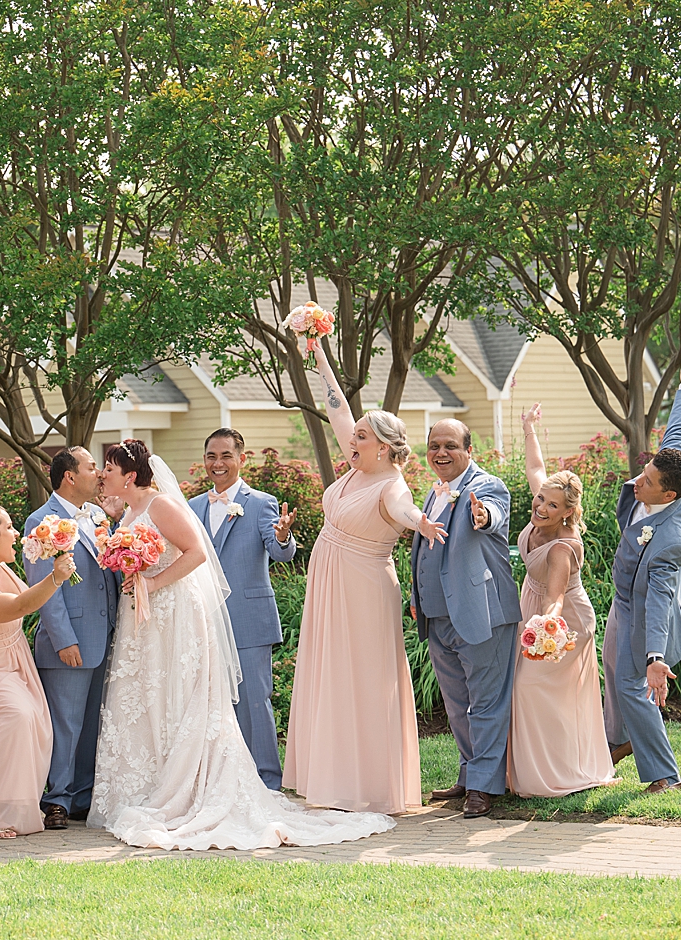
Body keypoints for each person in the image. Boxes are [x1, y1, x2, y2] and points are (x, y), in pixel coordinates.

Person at [88, 439, 396, 850]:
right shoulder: (130, 509)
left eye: (107, 468)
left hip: (174, 611)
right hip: (144, 617)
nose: (102, 474)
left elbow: (197, 553)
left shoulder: (161, 506)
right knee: (149, 695)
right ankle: (151, 781)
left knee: (184, 695)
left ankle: (195, 785)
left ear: (129, 475)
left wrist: (153, 582)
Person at [284, 342, 447, 815]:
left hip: (363, 591)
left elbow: (404, 509)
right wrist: (318, 357)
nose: (350, 441)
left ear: (383, 446)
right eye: (352, 435)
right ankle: (332, 777)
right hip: (329, 587)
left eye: (360, 437)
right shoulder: (358, 464)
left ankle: (370, 784)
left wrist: (421, 522)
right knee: (330, 675)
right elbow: (337, 408)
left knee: (362, 679)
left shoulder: (391, 482)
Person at [412, 418, 524, 819]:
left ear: (469, 450)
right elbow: (423, 552)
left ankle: (484, 786)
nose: (441, 453)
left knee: (487, 703)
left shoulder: (487, 486)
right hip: (438, 617)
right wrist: (416, 597)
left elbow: (491, 515)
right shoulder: (432, 493)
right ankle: (468, 773)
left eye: (450, 446)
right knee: (457, 704)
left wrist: (483, 517)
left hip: (482, 614)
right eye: (434, 446)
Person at [506, 403, 618, 797]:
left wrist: (545, 627)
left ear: (568, 512)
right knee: (532, 690)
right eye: (540, 499)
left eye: (552, 505)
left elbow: (554, 599)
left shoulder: (562, 548)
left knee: (531, 689)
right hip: (533, 607)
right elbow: (536, 469)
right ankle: (536, 768)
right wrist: (528, 428)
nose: (540, 506)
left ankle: (556, 772)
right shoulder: (542, 504)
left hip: (563, 621)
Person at [604, 342, 681, 793]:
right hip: (622, 600)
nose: (637, 480)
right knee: (615, 675)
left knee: (631, 685)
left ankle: (666, 776)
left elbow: (659, 598)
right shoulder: (669, 469)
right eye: (642, 473)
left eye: (647, 482)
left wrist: (655, 660)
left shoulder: (670, 544)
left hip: (644, 609)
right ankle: (620, 742)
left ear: (669, 497)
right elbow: (679, 431)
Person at [0, 504, 76, 838]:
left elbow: (25, 596)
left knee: (33, 724)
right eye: (9, 527)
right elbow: (19, 606)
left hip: (9, 664)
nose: (16, 533)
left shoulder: (0, 567)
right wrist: (56, 577)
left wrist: (53, 549)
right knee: (16, 718)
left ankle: (15, 806)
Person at [186, 429, 298, 792]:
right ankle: (224, 778)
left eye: (225, 456)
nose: (217, 464)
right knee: (212, 701)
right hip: (204, 620)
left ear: (241, 459)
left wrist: (282, 536)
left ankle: (267, 780)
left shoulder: (260, 502)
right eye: (211, 456)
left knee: (254, 700)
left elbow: (280, 552)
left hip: (249, 620)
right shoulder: (192, 507)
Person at [24, 447, 119, 829]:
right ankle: (56, 799)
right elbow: (42, 588)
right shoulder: (41, 522)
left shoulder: (97, 516)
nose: (98, 473)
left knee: (91, 722)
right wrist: (64, 638)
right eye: (92, 466)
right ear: (69, 476)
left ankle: (82, 795)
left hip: (106, 634)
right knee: (65, 723)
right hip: (70, 641)